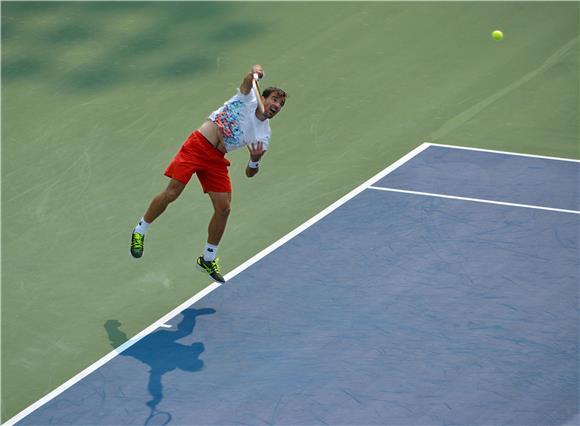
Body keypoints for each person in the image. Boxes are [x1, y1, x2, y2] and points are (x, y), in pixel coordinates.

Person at [129, 65, 287, 284]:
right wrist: (256, 73)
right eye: (275, 100)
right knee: (172, 192)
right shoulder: (248, 96)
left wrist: (255, 160)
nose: (277, 106)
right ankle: (140, 230)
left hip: (216, 161)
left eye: (280, 104)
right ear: (263, 97)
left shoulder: (264, 134)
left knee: (224, 208)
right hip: (198, 145)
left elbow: (250, 173)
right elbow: (248, 77)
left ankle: (208, 257)